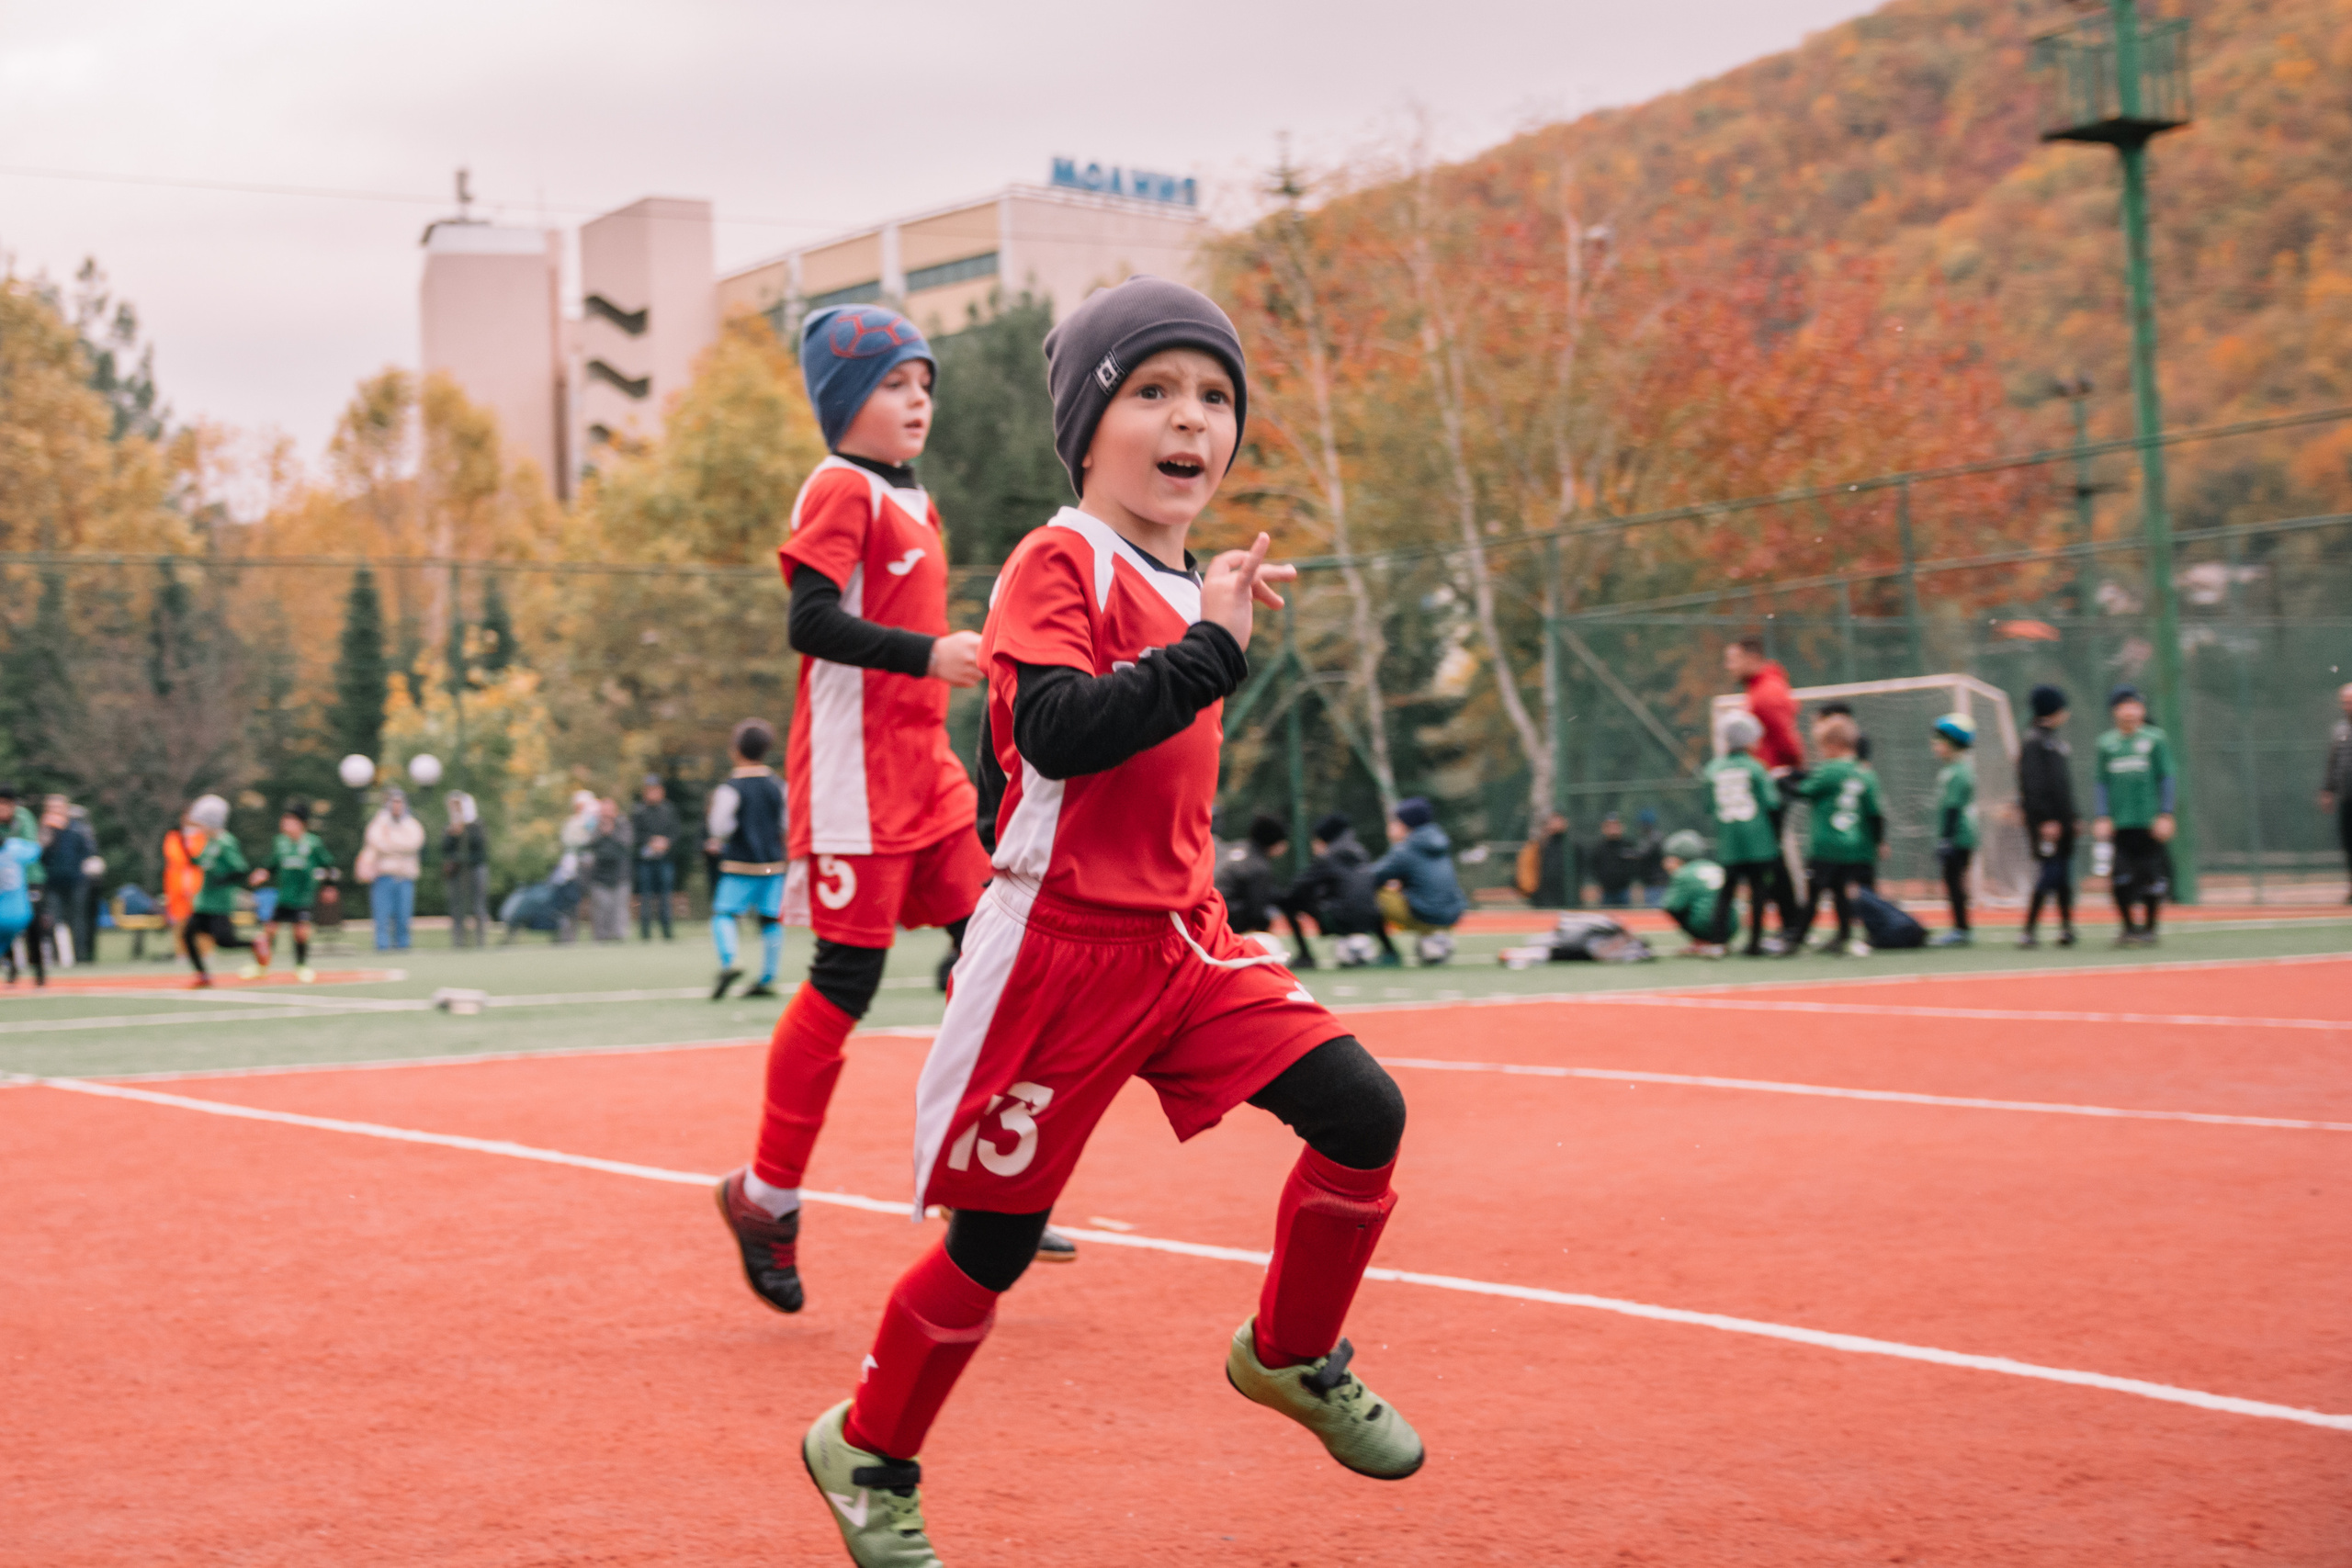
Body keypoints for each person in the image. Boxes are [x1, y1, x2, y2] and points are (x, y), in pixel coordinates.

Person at [800, 276, 1419, 1566]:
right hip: (1057, 952)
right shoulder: (1058, 555)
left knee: (1364, 1113)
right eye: (1152, 392)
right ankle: (866, 1447)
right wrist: (1214, 648)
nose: (1190, 418)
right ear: (1087, 424)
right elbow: (1062, 731)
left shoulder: (1194, 575)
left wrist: (1213, 622)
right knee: (994, 1245)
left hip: (1186, 941)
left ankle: (1293, 1353)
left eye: (1213, 397)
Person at [717, 300, 1022, 1324]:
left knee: (994, 955)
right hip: (851, 784)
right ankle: (766, 1198)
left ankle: (986, 1188)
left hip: (924, 773)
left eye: (924, 384)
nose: (917, 401)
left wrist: (953, 660)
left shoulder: (913, 498)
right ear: (845, 401)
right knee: (844, 984)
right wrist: (928, 655)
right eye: (894, 384)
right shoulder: (838, 486)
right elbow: (810, 622)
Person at [706, 719, 788, 1000]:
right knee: (770, 918)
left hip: (740, 863)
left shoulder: (730, 787)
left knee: (724, 913)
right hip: (772, 864)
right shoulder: (778, 785)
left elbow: (720, 827)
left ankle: (731, 961)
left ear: (736, 749)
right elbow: (788, 822)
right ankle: (768, 976)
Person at [1791, 712, 1883, 954]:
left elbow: (1804, 790)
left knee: (1814, 894)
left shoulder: (1829, 770)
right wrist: (1879, 841)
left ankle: (1796, 938)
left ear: (1833, 746)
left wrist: (1784, 780)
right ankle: (1844, 935)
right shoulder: (1865, 772)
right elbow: (1875, 811)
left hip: (1826, 844)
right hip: (1853, 845)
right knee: (1842, 892)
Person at [2094, 684, 2176, 946]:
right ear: (2114, 711)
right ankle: (2128, 928)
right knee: (2120, 878)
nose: (2129, 712)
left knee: (2152, 877)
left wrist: (2165, 814)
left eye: (2134, 705)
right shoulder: (2106, 744)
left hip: (2148, 823)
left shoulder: (2155, 739)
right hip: (2121, 824)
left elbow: (2167, 778)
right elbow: (2100, 783)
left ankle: (2150, 929)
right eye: (2123, 706)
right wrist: (2102, 815)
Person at [1706, 711, 1787, 956]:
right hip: (1758, 840)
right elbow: (1772, 804)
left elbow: (1710, 807)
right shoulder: (1756, 768)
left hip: (1730, 841)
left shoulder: (1712, 769)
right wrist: (1776, 837)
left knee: (1727, 890)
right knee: (1758, 891)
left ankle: (1718, 942)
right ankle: (1754, 942)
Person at [1280, 812, 1400, 969]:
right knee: (1368, 900)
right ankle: (1390, 951)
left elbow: (1298, 887)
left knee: (1290, 903)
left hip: (1340, 921)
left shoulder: (1328, 858)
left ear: (1324, 838)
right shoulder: (1362, 853)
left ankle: (1306, 956)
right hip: (1370, 920)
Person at [181, 794, 271, 987]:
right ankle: (202, 975)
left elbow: (240, 869)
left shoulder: (225, 842)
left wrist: (223, 880)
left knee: (224, 941)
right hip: (204, 902)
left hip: (220, 903)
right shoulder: (209, 842)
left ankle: (255, 944)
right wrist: (184, 846)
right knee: (188, 934)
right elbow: (200, 862)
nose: (199, 827)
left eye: (202, 823)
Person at [2018, 684, 2080, 948]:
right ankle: (2028, 930)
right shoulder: (2034, 742)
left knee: (2063, 875)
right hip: (2048, 825)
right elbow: (2033, 786)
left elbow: (2062, 786)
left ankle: (2066, 928)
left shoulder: (2054, 742)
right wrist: (2045, 820)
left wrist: (2072, 817)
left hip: (2062, 824)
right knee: (2050, 873)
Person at [1370, 796, 1466, 964]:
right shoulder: (1439, 842)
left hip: (1426, 914)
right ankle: (1434, 940)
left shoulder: (1406, 848)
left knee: (1370, 893)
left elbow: (1371, 877)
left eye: (1396, 821)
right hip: (1453, 914)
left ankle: (1389, 952)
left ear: (1406, 824)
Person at [267, 802, 336, 982]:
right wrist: (262, 872)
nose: (285, 823)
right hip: (283, 896)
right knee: (270, 930)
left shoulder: (313, 843)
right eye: (285, 819)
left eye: (290, 820)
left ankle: (301, 966)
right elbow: (272, 864)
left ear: (301, 823)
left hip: (303, 897)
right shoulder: (280, 842)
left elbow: (328, 865)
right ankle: (261, 965)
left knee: (300, 932)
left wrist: (329, 887)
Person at [1928, 714, 1978, 947]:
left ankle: (1961, 928)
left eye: (1939, 740)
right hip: (1955, 835)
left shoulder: (1959, 771)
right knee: (1952, 880)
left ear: (1953, 743)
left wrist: (1946, 839)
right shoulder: (1951, 769)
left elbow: (1953, 808)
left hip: (1960, 836)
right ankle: (1960, 927)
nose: (1934, 745)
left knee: (1954, 881)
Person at [362, 789, 425, 951]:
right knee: (382, 917)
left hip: (404, 877)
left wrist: (390, 844)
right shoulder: (379, 823)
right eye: (393, 802)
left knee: (403, 917)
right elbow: (376, 842)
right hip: (384, 876)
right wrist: (398, 846)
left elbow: (413, 844)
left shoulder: (412, 824)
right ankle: (382, 947)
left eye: (399, 802)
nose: (397, 806)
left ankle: (403, 946)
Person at [1657, 829, 1735, 956]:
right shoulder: (1714, 865)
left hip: (1706, 925)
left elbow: (1672, 905)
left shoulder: (1683, 873)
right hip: (1732, 925)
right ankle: (1720, 942)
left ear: (1679, 857)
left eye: (1669, 858)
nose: (1665, 863)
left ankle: (1701, 941)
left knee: (1675, 908)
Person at [0, 788, 51, 979]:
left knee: (33, 923)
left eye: (6, 804)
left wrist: (9, 845)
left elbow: (32, 848)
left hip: (30, 878)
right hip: (5, 883)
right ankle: (10, 964)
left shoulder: (23, 818)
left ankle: (38, 969)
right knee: (4, 922)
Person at [1216, 813, 1289, 935]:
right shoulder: (1259, 866)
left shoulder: (1234, 848)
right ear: (1275, 842)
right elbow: (1257, 912)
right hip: (1225, 918)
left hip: (1204, 910)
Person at [38, 796, 90, 967]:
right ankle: (57, 957)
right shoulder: (45, 830)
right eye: (52, 807)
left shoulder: (77, 828)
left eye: (59, 807)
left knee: (77, 919)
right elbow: (39, 855)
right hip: (52, 882)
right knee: (54, 919)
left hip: (75, 881)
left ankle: (80, 957)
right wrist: (46, 833)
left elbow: (87, 851)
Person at [629, 776, 681, 941]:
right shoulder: (638, 810)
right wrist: (650, 841)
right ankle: (645, 933)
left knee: (665, 896)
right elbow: (635, 835)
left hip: (665, 860)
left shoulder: (669, 809)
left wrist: (666, 842)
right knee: (645, 896)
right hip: (645, 861)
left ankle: (667, 931)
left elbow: (676, 832)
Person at [440, 792, 490, 948]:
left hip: (475, 868)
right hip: (457, 870)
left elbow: (479, 847)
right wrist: (453, 834)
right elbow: (445, 848)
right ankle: (458, 941)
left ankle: (480, 941)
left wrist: (464, 831)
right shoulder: (450, 827)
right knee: (457, 907)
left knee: (478, 906)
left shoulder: (477, 826)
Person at [2321, 682, 2352, 904]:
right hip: (2347, 798)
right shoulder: (2340, 730)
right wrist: (2328, 790)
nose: (2347, 705)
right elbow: (2334, 763)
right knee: (2348, 844)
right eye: (2344, 701)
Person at [585, 798, 632, 942]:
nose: (606, 814)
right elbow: (588, 845)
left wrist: (611, 833)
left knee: (619, 912)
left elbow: (627, 844)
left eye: (608, 810)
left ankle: (619, 938)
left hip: (620, 876)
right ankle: (601, 939)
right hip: (599, 877)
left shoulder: (623, 825)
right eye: (603, 810)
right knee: (600, 910)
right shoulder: (593, 826)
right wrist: (601, 833)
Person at [1587, 812, 1643, 908]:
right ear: (1604, 828)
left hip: (1624, 891)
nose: (1613, 828)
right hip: (1606, 892)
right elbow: (1593, 867)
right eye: (1610, 826)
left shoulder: (1628, 845)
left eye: (1616, 825)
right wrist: (1599, 885)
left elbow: (1636, 865)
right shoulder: (1599, 848)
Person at [1528, 811, 1579, 908]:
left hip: (1565, 895)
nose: (1556, 824)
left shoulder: (1572, 846)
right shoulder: (1541, 845)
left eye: (1559, 821)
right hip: (1545, 895)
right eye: (1553, 822)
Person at [1633, 807, 1667, 904]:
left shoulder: (1655, 837)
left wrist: (1630, 854)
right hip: (1650, 883)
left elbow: (1643, 853)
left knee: (1656, 912)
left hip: (1657, 883)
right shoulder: (1646, 838)